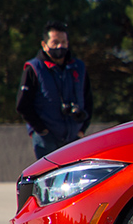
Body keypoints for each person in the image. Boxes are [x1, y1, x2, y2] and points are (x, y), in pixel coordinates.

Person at [16, 21, 92, 161]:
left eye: (63, 42)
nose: (60, 46)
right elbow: (22, 105)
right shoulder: (34, 68)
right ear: (44, 45)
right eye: (55, 42)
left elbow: (88, 99)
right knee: (49, 179)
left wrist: (82, 129)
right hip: (46, 139)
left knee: (72, 181)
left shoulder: (78, 67)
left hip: (74, 137)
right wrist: (41, 130)